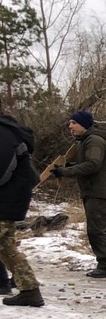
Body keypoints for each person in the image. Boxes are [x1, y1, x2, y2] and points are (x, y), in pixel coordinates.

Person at [51, 110, 106, 277]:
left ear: (84, 124)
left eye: (74, 123)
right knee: (101, 229)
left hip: (99, 192)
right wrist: (64, 166)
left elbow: (92, 164)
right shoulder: (84, 141)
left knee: (95, 230)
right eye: (70, 123)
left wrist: (65, 172)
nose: (70, 126)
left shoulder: (94, 141)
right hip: (94, 191)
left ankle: (104, 266)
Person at [0, 112, 43, 307]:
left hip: (4, 200)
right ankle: (30, 290)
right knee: (6, 249)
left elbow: (3, 169)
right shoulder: (9, 132)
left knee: (6, 248)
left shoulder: (4, 134)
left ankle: (29, 290)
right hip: (10, 200)